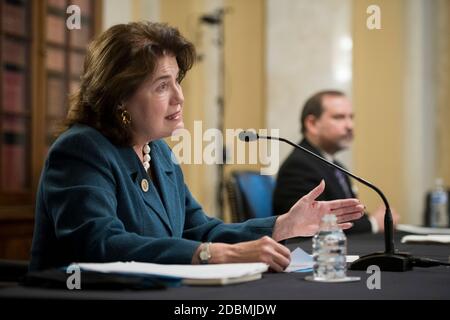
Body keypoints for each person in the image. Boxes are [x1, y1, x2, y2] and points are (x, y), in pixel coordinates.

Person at [30, 23, 364, 272]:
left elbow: (200, 229)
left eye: (178, 80)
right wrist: (211, 254)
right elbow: (98, 243)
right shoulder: (81, 149)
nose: (179, 96)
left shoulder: (158, 152)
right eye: (163, 85)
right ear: (120, 98)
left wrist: (281, 225)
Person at [273, 90, 396, 234]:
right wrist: (374, 223)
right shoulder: (299, 167)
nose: (349, 125)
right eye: (339, 117)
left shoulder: (335, 166)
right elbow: (315, 225)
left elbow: (348, 215)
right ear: (312, 124)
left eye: (351, 117)